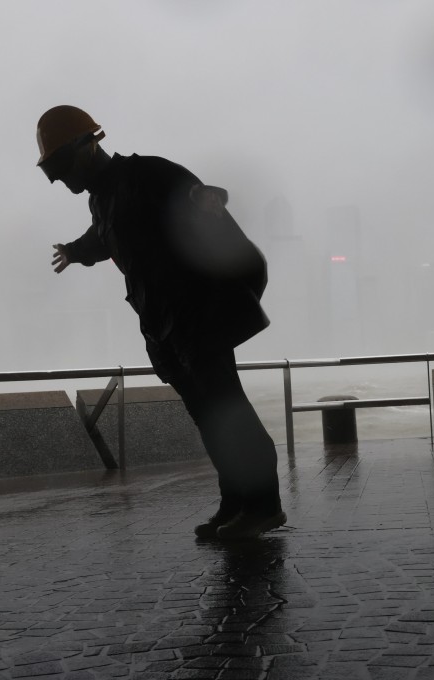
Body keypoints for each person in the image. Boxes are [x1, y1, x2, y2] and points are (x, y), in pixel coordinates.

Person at [36, 105, 286, 541]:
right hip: (165, 329)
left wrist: (232, 302)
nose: (57, 179)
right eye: (49, 171)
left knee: (229, 412)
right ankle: (235, 501)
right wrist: (76, 251)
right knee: (208, 418)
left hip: (198, 320)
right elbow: (105, 235)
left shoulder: (151, 176)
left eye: (57, 165)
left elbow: (222, 232)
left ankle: (263, 505)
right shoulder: (103, 200)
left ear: (88, 144)